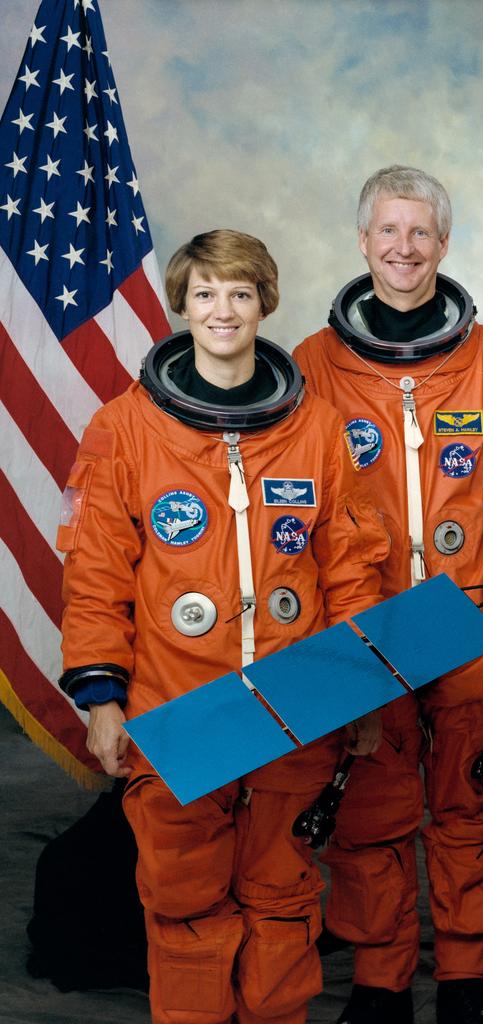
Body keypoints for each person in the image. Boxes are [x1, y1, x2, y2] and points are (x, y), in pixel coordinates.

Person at [57, 230, 388, 1024]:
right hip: (177, 703)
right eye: (204, 294)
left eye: (239, 293)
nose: (222, 310)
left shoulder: (316, 428)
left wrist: (365, 690)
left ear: (264, 303)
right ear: (182, 305)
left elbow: (348, 567)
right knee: (184, 899)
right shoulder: (126, 428)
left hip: (292, 703)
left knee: (281, 897)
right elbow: (97, 572)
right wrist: (103, 698)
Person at [293, 165, 483, 1024]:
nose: (404, 249)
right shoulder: (313, 366)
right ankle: (380, 983)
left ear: (444, 243)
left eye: (421, 233)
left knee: (468, 806)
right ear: (363, 241)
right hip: (368, 624)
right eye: (388, 232)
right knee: (369, 812)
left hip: (470, 617)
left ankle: (468, 980)